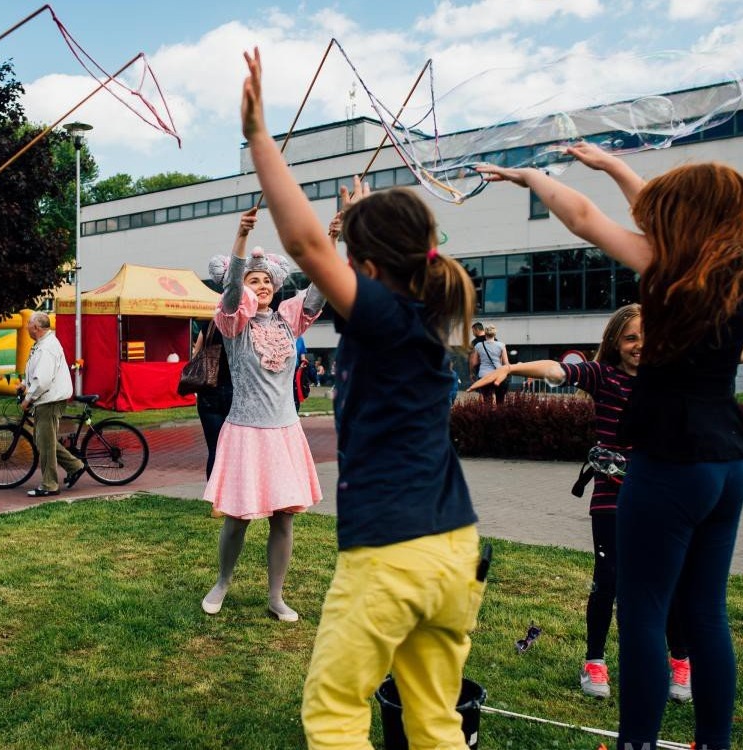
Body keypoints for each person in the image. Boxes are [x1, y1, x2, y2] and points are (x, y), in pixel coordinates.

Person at [476, 142, 743, 750]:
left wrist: (531, 176)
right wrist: (612, 166)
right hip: (728, 464)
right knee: (707, 613)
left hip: (669, 465)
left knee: (642, 613)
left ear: (682, 215)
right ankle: (713, 743)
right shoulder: (738, 269)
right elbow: (654, 216)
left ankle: (636, 743)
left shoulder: (670, 270)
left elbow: (583, 217)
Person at [241, 48, 484, 748]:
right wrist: (356, 218)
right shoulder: (424, 319)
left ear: (368, 269)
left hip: (392, 553)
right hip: (454, 551)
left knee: (334, 711)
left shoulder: (385, 318)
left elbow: (302, 242)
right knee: (433, 716)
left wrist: (259, 137)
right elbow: (337, 253)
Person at [471, 305, 743, 703]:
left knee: (671, 582)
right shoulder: (602, 374)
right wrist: (512, 368)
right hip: (611, 496)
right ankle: (594, 662)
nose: (639, 345)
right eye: (630, 338)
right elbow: (556, 370)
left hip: (659, 494)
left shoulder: (669, 373)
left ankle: (680, 662)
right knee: (608, 580)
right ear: (616, 342)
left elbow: (734, 354)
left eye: (647, 337)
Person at [199, 233, 325, 624]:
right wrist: (241, 238)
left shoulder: (288, 320)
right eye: (254, 280)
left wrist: (332, 239)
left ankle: (276, 598)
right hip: (246, 433)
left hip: (284, 433)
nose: (263, 285)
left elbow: (318, 290)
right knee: (237, 518)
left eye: (267, 279)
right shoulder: (233, 324)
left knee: (283, 518)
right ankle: (222, 582)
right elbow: (232, 295)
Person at [192, 210, 256, 479]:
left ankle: (214, 495)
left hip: (209, 392)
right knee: (235, 451)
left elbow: (196, 354)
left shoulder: (210, 322)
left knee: (215, 450)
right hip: (234, 392)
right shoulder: (242, 320)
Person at [15, 311, 83, 497]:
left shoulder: (46, 348)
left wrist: (28, 398)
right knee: (44, 440)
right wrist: (25, 384)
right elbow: (37, 373)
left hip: (49, 401)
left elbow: (43, 381)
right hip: (47, 399)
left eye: (29, 324)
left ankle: (50, 485)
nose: (27, 327)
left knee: (45, 444)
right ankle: (75, 466)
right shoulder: (43, 344)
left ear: (36, 327)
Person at [468, 323, 509, 404]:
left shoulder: (478, 345)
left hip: (484, 376)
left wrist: (472, 372)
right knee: (500, 401)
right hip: (498, 375)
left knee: (487, 401)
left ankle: (488, 412)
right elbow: (505, 363)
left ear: (485, 333)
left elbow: (474, 363)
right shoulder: (501, 345)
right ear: (495, 334)